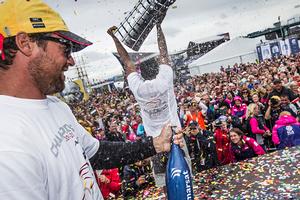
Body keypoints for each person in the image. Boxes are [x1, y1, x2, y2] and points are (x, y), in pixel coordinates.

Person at [0, 1, 184, 199]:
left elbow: (96, 153)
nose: (71, 61)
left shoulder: (57, 107)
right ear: (25, 43)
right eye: (66, 48)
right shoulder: (8, 144)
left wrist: (154, 144)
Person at [107, 17, 191, 189]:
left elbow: (127, 62)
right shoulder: (165, 80)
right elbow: (163, 53)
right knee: (184, 177)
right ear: (157, 70)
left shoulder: (138, 88)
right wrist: (158, 26)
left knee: (162, 180)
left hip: (154, 142)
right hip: (175, 136)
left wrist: (114, 37)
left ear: (140, 73)